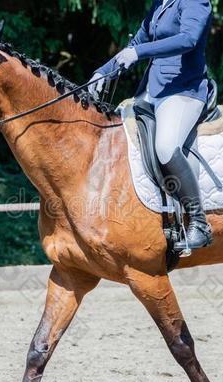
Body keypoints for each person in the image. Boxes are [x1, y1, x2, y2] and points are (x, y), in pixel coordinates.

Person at [89, 0, 213, 251]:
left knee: (166, 147)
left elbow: (189, 39)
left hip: (184, 90)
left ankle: (199, 223)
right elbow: (135, 45)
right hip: (153, 90)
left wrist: (139, 53)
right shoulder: (159, 5)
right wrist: (104, 70)